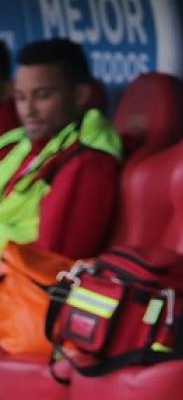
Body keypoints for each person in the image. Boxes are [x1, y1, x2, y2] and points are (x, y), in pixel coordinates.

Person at [0, 38, 122, 258]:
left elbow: (55, 260)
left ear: (79, 95)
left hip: (23, 275)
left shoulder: (87, 159)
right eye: (20, 97)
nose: (28, 110)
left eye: (42, 96)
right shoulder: (16, 142)